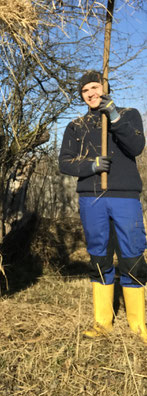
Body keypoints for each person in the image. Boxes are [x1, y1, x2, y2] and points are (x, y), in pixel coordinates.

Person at [59, 70, 147, 343]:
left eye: (95, 87)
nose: (91, 93)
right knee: (99, 255)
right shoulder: (76, 125)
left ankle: (138, 323)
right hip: (92, 197)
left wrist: (115, 116)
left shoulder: (128, 114)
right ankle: (102, 321)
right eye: (86, 91)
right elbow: (64, 162)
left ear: (104, 87)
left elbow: (136, 146)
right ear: (81, 95)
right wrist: (91, 166)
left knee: (132, 253)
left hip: (124, 196)